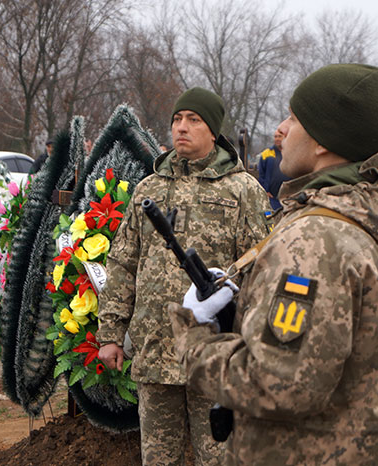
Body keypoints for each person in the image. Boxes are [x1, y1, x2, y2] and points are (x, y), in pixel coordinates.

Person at [169, 64, 378, 465]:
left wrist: (195, 337)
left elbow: (278, 384)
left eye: (293, 118)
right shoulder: (371, 210)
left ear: (322, 141)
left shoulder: (315, 241)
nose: (282, 129)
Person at [96, 87, 271, 465]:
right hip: (156, 350)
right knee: (159, 459)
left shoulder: (243, 190)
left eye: (193, 119)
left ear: (214, 131)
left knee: (219, 458)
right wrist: (110, 333)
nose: (181, 127)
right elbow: (123, 262)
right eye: (177, 119)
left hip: (214, 354)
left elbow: (261, 271)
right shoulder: (149, 189)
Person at [257, 127, 290, 210]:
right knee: (270, 216)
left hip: (289, 197)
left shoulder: (291, 153)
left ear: (285, 137)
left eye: (280, 136)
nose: (277, 139)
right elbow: (261, 174)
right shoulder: (266, 154)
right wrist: (265, 191)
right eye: (275, 136)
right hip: (272, 198)